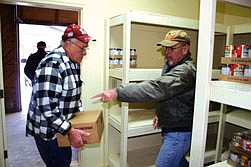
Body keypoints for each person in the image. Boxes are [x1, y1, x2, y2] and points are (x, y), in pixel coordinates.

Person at [92, 30, 196, 167]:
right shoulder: (173, 66)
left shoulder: (185, 71)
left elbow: (157, 88)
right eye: (165, 48)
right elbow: (170, 94)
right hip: (173, 128)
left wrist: (118, 92)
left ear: (185, 49)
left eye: (171, 48)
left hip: (179, 133)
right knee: (179, 163)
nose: (167, 52)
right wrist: (161, 112)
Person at [26, 23, 95, 167]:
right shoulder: (52, 64)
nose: (85, 53)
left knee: (65, 161)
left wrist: (78, 120)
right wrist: (70, 130)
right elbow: (47, 107)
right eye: (82, 48)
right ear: (68, 44)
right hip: (48, 132)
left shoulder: (73, 62)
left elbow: (73, 94)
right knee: (59, 163)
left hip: (61, 127)